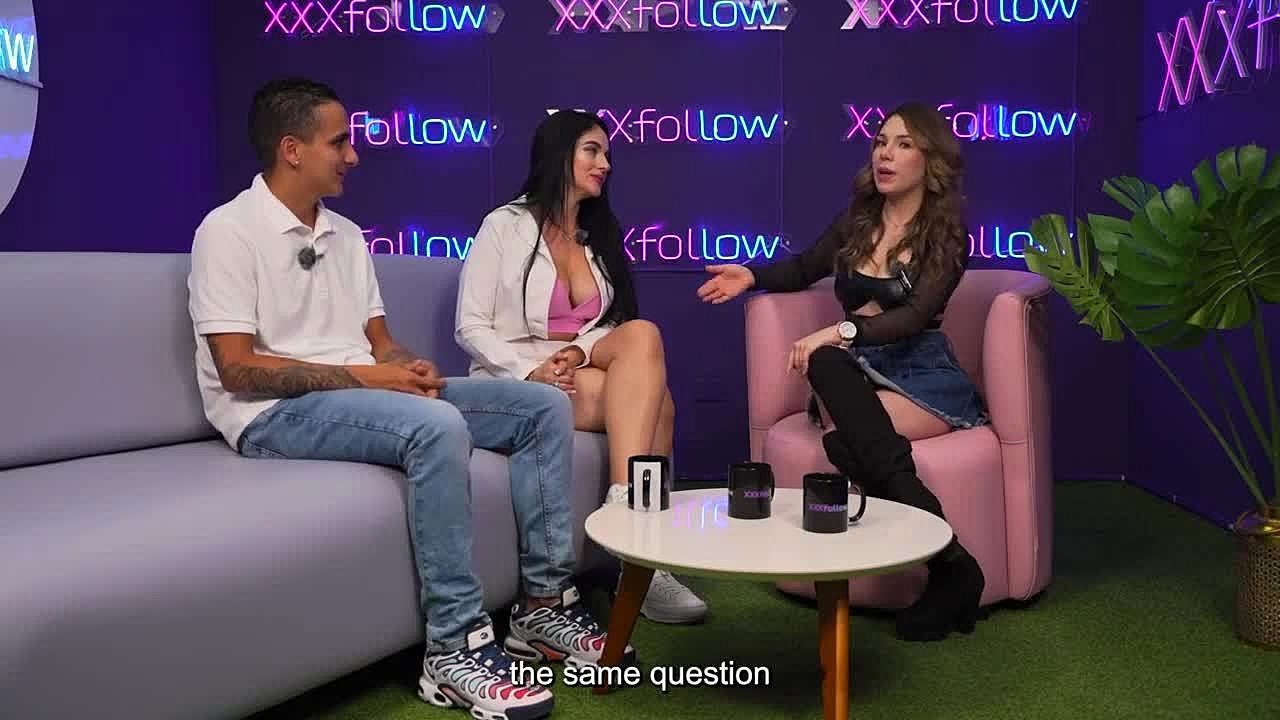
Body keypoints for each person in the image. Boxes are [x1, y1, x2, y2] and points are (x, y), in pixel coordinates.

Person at [187, 78, 626, 720]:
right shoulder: (228, 231)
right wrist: (373, 379)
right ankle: (452, 647)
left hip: (358, 394)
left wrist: (404, 367)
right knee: (435, 426)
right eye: (339, 142)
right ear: (292, 149)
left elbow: (379, 344)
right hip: (269, 414)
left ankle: (542, 604)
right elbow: (237, 369)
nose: (353, 154)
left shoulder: (346, 234)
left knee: (541, 407)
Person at [696, 102, 988, 642]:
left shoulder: (948, 236)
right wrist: (752, 275)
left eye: (903, 144)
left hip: (919, 373)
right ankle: (954, 566)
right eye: (880, 142)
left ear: (930, 161)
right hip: (855, 373)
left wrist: (840, 331)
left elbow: (913, 317)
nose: (885, 154)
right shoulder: (859, 221)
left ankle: (950, 568)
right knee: (839, 395)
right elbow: (805, 266)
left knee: (842, 425)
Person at [454, 110, 708, 624]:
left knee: (642, 333)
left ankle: (624, 506)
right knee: (660, 406)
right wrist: (529, 370)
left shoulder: (598, 235)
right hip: (513, 377)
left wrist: (577, 352)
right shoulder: (503, 225)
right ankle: (641, 558)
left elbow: (608, 323)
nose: (605, 163)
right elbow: (470, 325)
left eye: (608, 154)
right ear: (559, 154)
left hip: (578, 366)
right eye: (592, 150)